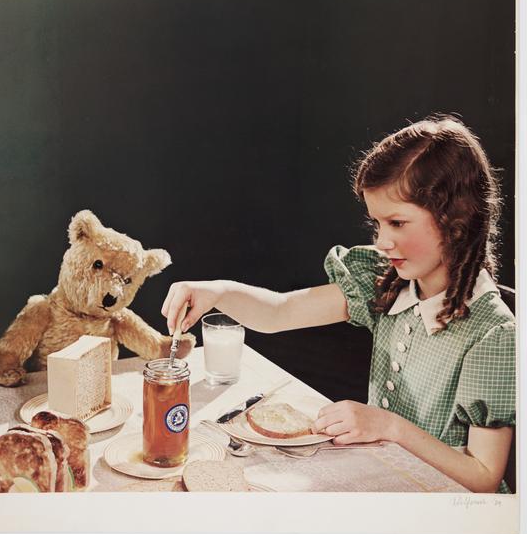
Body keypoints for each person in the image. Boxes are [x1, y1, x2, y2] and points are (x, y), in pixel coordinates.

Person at [161, 114, 515, 493]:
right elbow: (280, 311)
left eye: (397, 223)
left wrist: (389, 426)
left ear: (455, 221)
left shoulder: (493, 333)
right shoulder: (390, 280)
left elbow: (483, 477)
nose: (382, 241)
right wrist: (218, 292)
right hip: (384, 483)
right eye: (377, 224)